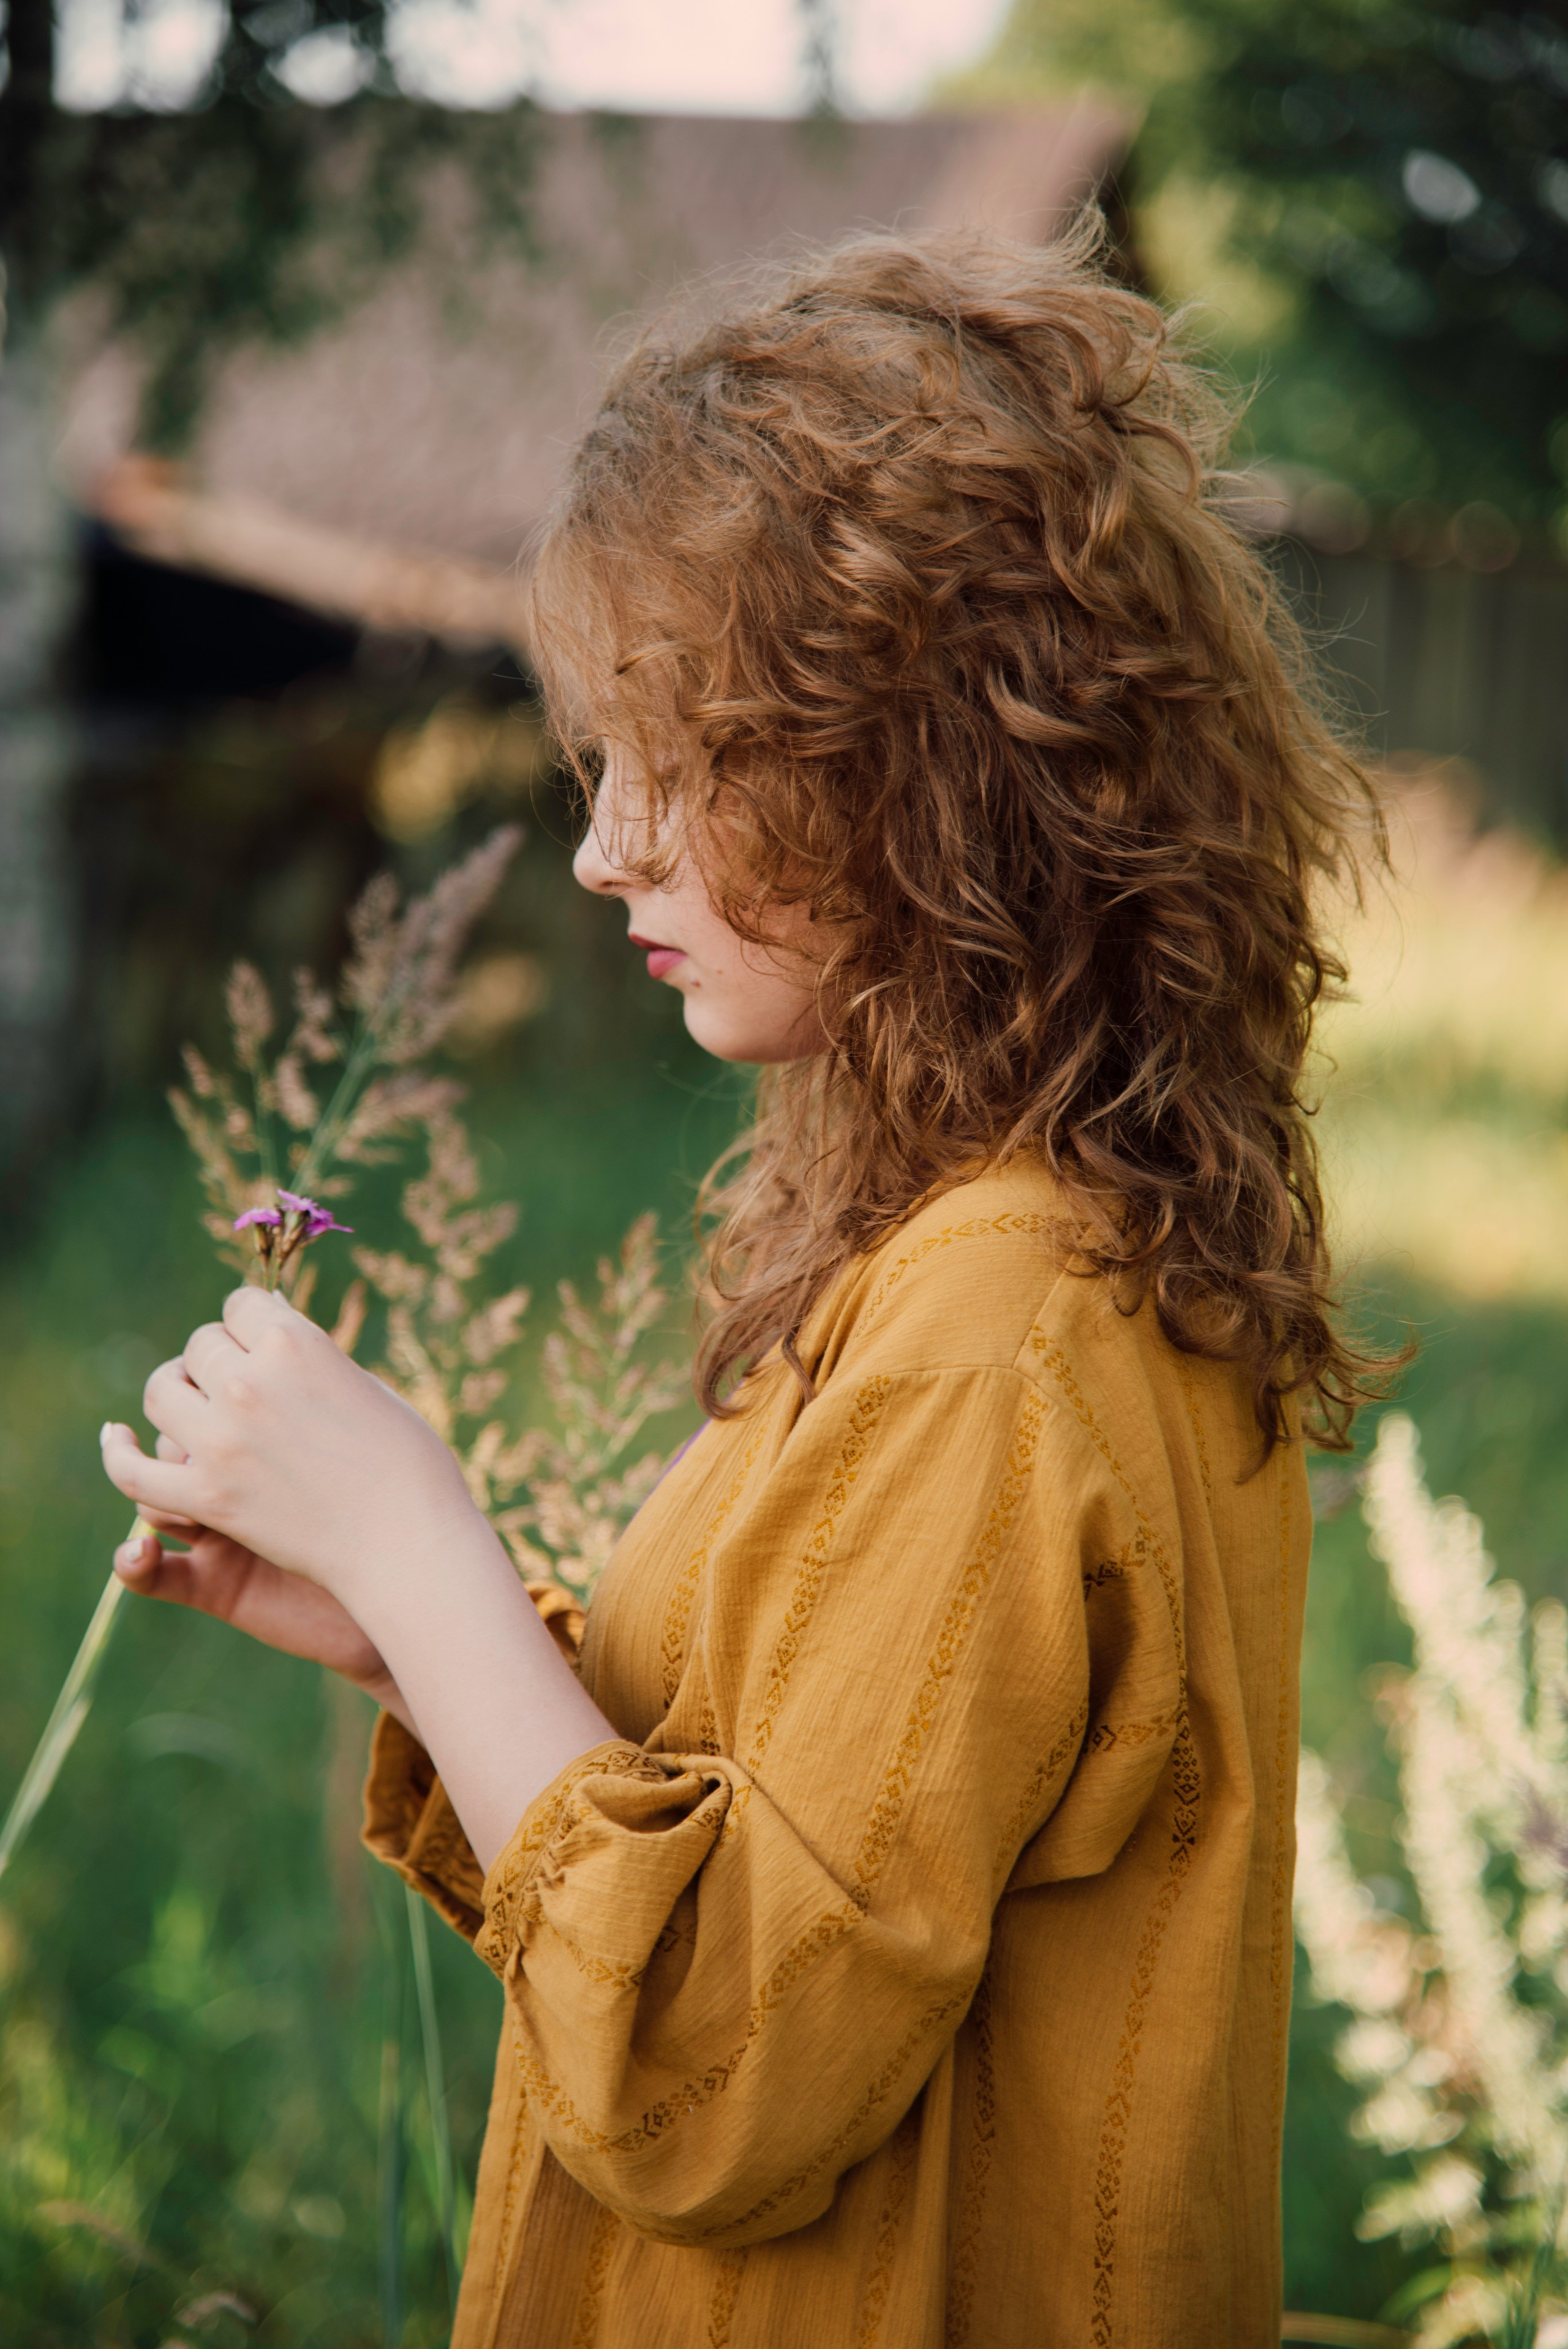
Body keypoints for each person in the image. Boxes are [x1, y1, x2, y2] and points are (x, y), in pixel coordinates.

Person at [100, 223, 1385, 2348]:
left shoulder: (997, 1331)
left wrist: (422, 1545)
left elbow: (710, 2071)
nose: (605, 847)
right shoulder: (993, 1254)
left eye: (678, 759)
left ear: (931, 765)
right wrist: (427, 1650)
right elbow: (811, 1833)